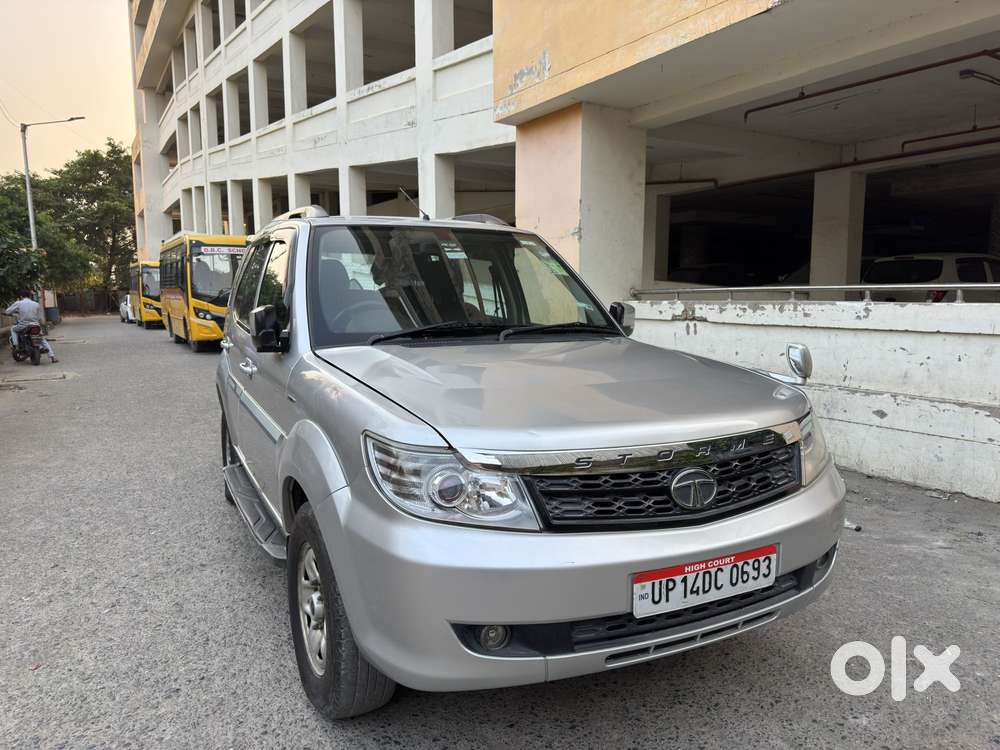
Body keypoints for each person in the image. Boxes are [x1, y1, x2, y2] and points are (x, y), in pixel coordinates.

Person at [5, 291, 57, 363]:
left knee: (13, 329)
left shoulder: (19, 303)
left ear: (21, 297)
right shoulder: (36, 304)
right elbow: (39, 317)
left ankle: (16, 345)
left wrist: (14, 312)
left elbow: (7, 311)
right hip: (35, 325)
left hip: (23, 325)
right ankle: (52, 357)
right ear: (29, 296)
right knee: (42, 339)